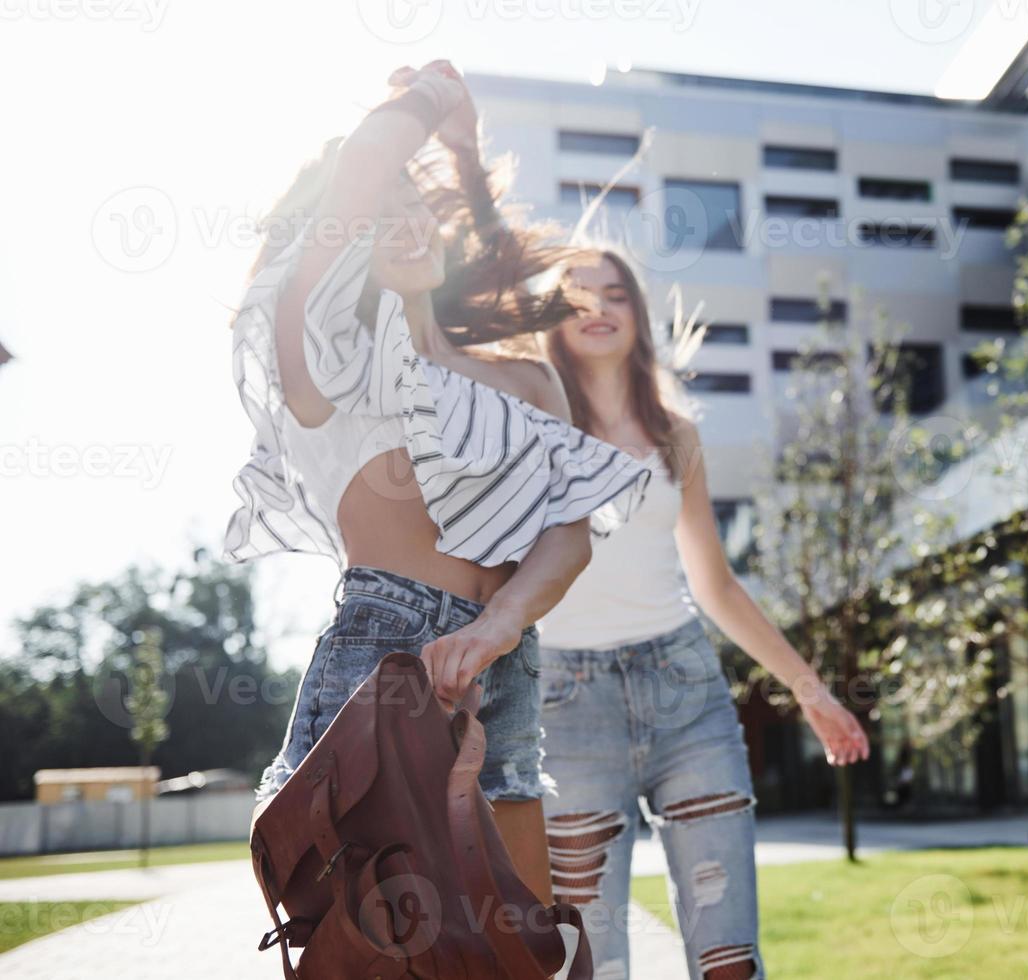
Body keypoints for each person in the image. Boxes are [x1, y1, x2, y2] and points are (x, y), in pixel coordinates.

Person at [225, 62, 649, 903]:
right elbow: (358, 173)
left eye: (413, 206)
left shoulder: (524, 381)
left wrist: (496, 627)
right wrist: (430, 103)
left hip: (506, 664)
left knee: (519, 946)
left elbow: (567, 535)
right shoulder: (332, 369)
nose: (405, 221)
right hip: (384, 657)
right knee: (376, 952)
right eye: (379, 215)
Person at [534, 249, 871, 980]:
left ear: (638, 316)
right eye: (576, 295)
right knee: (587, 963)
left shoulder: (675, 436)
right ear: (552, 319)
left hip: (686, 694)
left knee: (729, 959)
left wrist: (811, 693)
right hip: (564, 709)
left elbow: (715, 585)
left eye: (614, 294)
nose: (596, 308)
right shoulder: (529, 427)